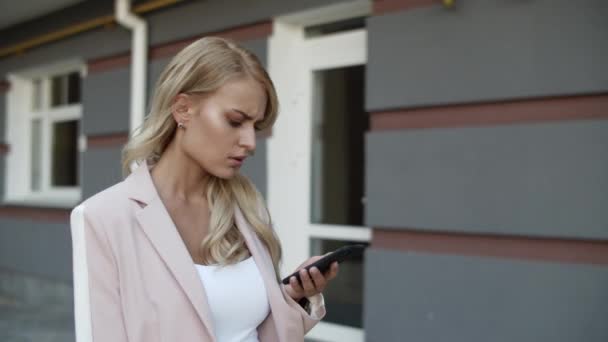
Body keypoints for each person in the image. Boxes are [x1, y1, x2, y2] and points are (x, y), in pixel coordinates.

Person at [69, 36, 339, 342]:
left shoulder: (247, 207)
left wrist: (292, 295)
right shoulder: (102, 218)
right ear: (183, 109)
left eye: (255, 126)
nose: (250, 143)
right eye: (236, 121)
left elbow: (251, 330)